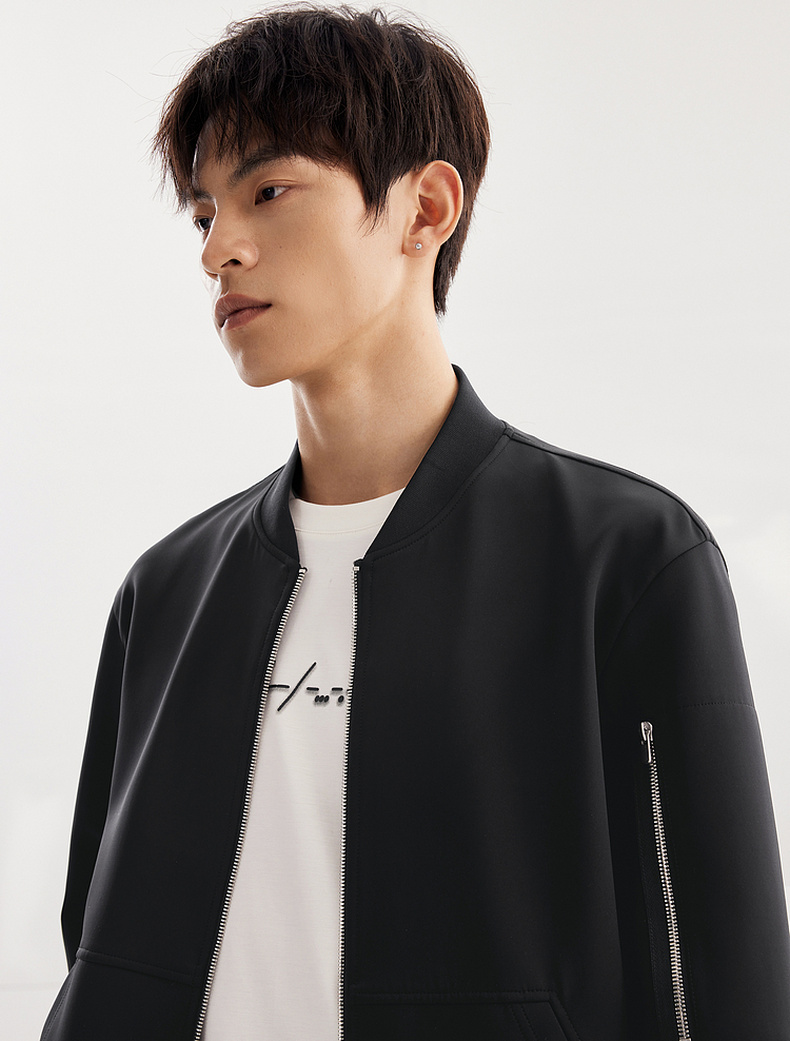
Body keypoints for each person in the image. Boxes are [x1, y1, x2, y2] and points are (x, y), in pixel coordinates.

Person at [41, 4, 790, 1040]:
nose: (219, 251)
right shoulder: (164, 593)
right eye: (203, 214)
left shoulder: (624, 560)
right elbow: (95, 945)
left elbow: (719, 979)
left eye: (267, 192)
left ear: (424, 208)